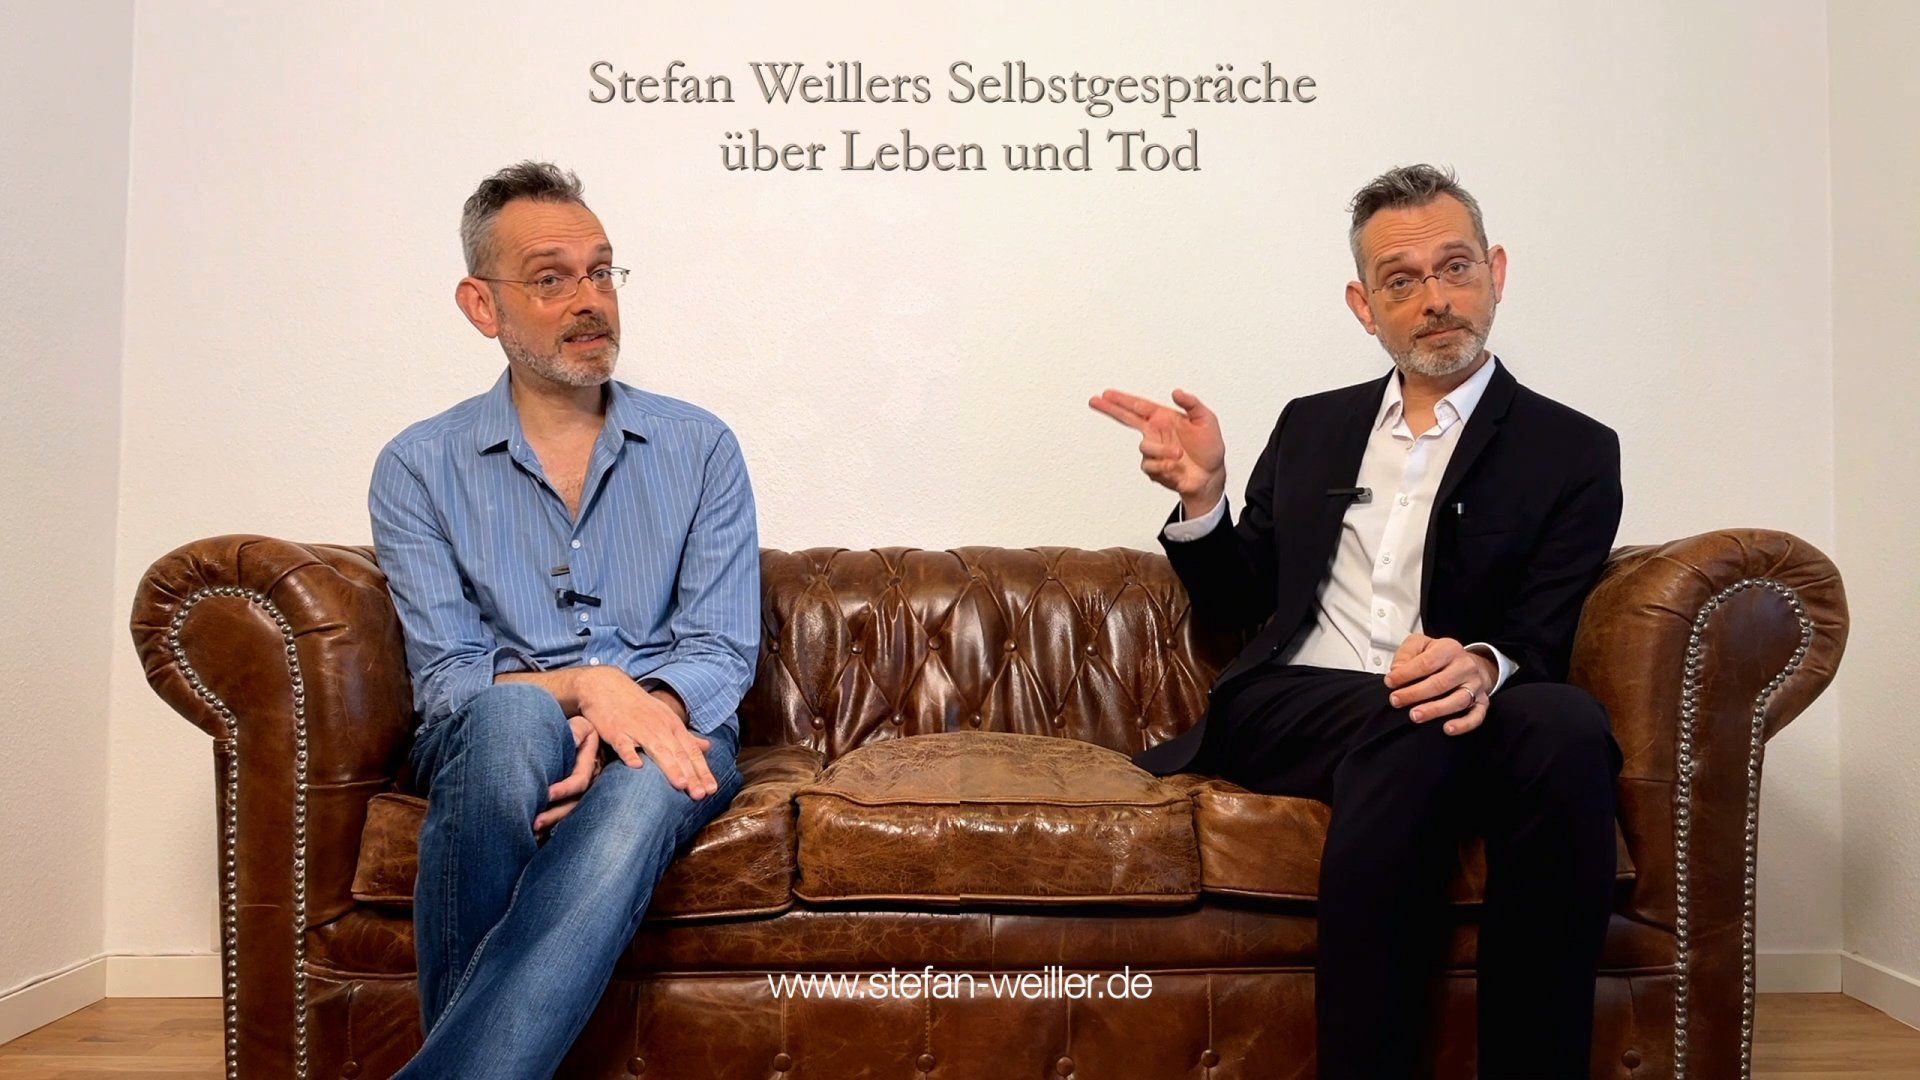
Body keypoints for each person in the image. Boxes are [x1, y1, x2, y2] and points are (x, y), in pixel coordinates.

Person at [1093, 164, 1625, 1079]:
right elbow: (1233, 607)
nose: (1435, 298)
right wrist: (1205, 498)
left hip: (1460, 710)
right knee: (1417, 722)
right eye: (1401, 280)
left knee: (1567, 724)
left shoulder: (1573, 450)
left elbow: (1542, 631)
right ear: (1363, 305)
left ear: (1495, 272)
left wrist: (1481, 665)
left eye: (1455, 267)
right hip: (1292, 703)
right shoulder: (1313, 428)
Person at [368, 161, 759, 1078]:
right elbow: (451, 682)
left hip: (670, 718)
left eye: (601, 271)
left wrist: (637, 708)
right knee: (509, 719)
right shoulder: (417, 466)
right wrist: (586, 689)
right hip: (499, 732)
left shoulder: (701, 446)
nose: (590, 300)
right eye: (551, 278)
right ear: (482, 304)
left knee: (651, 780)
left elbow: (720, 646)